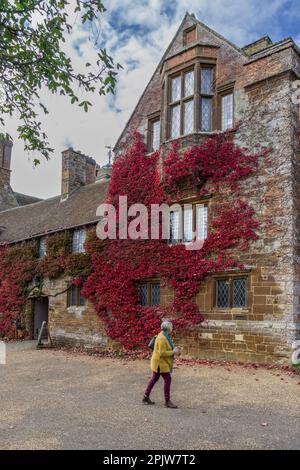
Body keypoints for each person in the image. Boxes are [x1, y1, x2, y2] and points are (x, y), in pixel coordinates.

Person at [143, 319, 181, 408]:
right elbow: (162, 353)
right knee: (167, 379)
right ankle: (167, 401)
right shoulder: (162, 338)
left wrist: (174, 349)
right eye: (171, 327)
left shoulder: (164, 335)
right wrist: (173, 352)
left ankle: (145, 397)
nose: (172, 328)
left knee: (154, 378)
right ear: (169, 328)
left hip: (159, 362)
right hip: (160, 363)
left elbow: (166, 348)